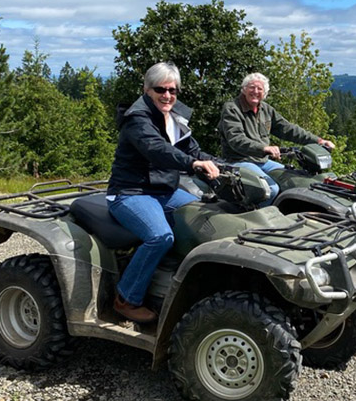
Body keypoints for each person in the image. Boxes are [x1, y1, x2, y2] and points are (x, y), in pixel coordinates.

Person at [107, 62, 220, 324]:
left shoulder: (175, 117)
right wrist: (193, 165)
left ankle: (175, 282)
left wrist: (223, 166)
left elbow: (194, 151)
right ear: (147, 90)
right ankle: (126, 298)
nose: (167, 95)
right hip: (131, 192)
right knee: (160, 236)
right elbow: (157, 150)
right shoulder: (137, 119)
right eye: (161, 89)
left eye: (173, 90)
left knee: (205, 218)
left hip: (164, 191)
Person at [218, 72, 335, 205]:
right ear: (244, 89)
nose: (255, 91)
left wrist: (319, 141)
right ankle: (260, 216)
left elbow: (288, 129)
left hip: (262, 161)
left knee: (295, 182)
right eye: (251, 87)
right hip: (238, 160)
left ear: (265, 93)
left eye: (259, 88)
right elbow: (236, 140)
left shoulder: (266, 109)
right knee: (270, 190)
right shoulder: (232, 108)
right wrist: (264, 148)